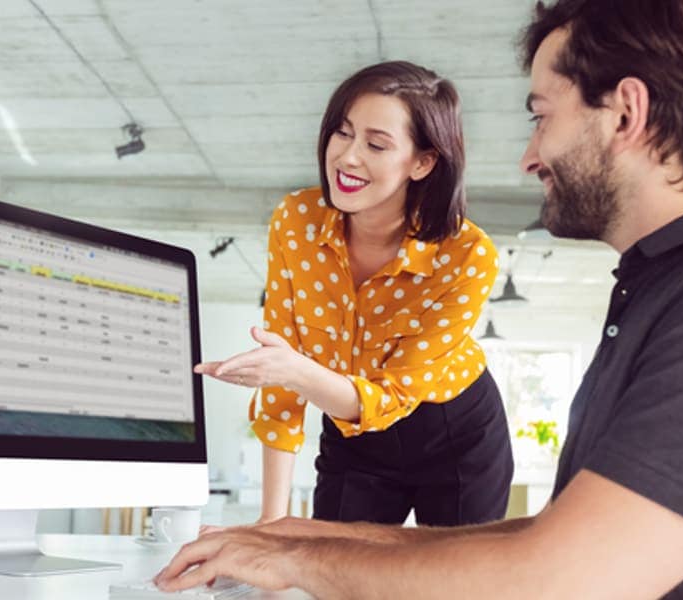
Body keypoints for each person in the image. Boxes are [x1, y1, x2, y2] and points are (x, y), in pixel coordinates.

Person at [158, 1, 683, 598]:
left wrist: (298, 558)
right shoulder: (672, 283)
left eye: (542, 116)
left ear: (626, 113)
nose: (530, 157)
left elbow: (559, 580)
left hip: (446, 429)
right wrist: (301, 538)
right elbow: (555, 541)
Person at [195, 61, 514, 527]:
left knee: (451, 570)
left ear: (423, 162)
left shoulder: (466, 255)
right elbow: (282, 366)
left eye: (376, 144)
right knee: (332, 564)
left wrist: (294, 370)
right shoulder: (297, 221)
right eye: (342, 133)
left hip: (453, 435)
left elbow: (388, 396)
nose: (347, 157)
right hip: (350, 432)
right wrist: (271, 521)